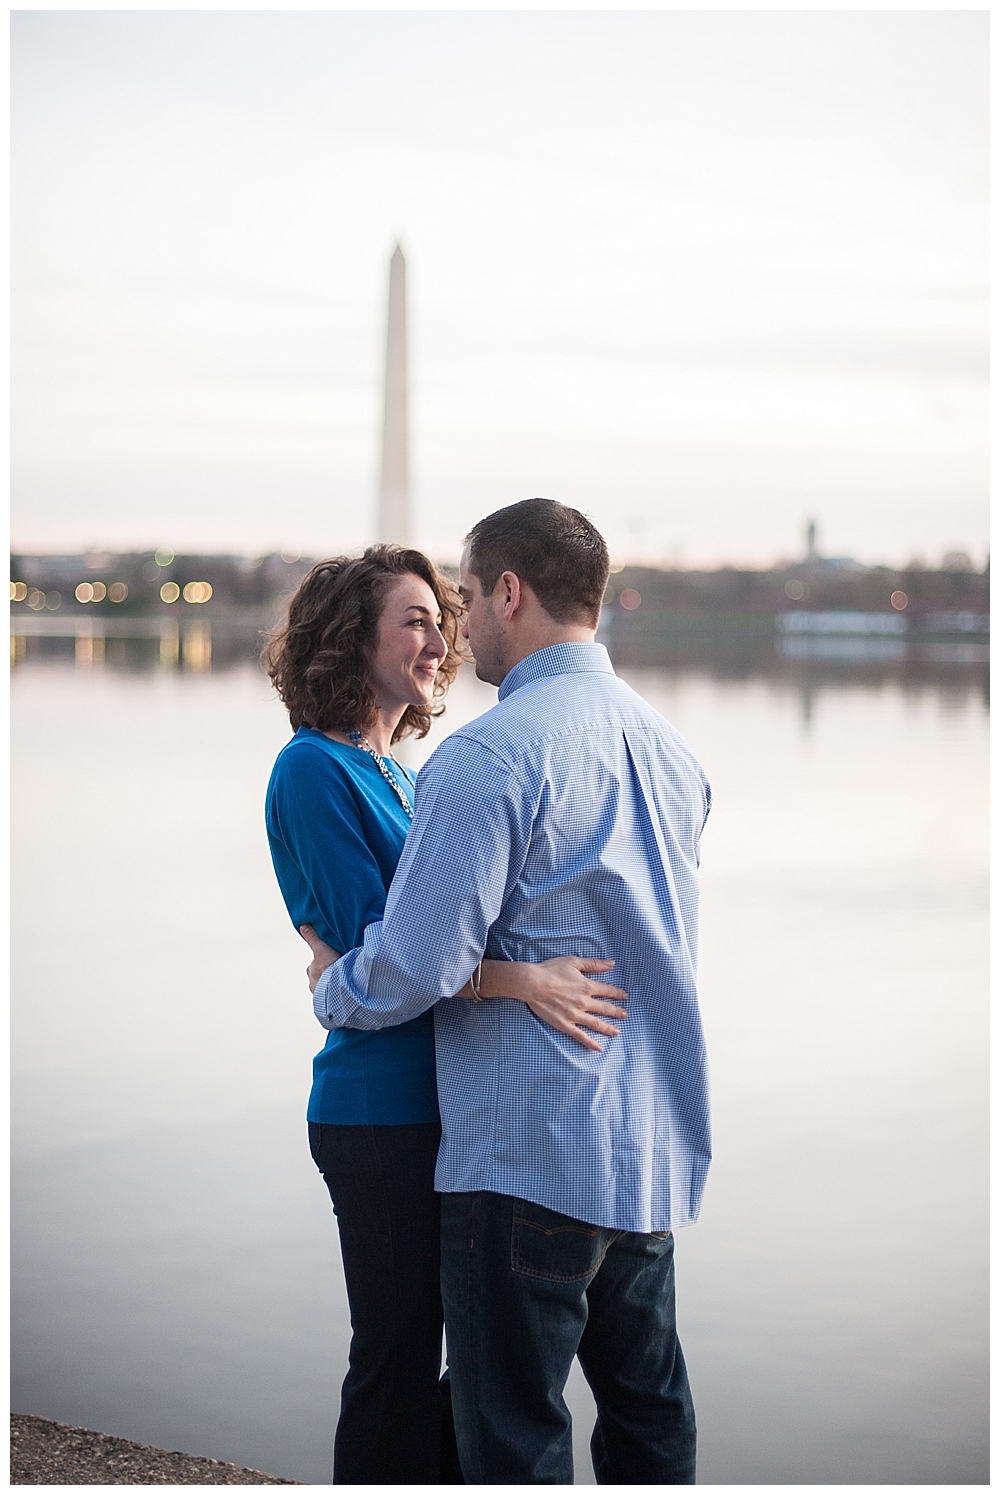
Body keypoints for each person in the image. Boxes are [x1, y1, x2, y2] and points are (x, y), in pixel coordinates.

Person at [303, 499, 712, 1485]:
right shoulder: (672, 751)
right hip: (646, 1152)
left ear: (511, 592)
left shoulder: (486, 757)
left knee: (510, 1441)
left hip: (522, 1158)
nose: (461, 623)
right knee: (650, 1424)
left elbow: (415, 964)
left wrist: (332, 986)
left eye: (469, 595)